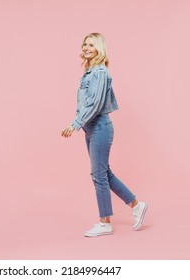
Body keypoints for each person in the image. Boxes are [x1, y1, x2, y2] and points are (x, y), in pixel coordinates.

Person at [61, 33, 148, 237]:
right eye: (84, 44)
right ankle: (137, 205)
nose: (86, 47)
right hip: (91, 128)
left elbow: (96, 104)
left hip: (100, 127)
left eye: (91, 44)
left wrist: (74, 124)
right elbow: (84, 103)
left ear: (100, 48)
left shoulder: (100, 72)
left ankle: (105, 223)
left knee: (98, 175)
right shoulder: (89, 72)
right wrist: (80, 124)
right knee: (104, 173)